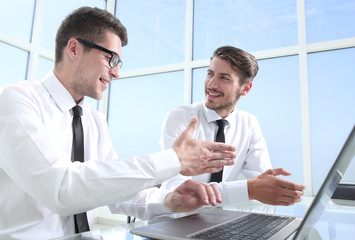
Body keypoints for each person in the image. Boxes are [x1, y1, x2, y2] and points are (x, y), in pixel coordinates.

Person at [0, 7, 237, 239]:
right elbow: (61, 188)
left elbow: (115, 192)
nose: (116, 73)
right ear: (74, 49)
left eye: (118, 64)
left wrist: (169, 199)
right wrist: (173, 159)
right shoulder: (15, 101)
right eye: (110, 58)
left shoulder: (94, 119)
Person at [159, 46, 306, 210]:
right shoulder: (181, 117)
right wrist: (249, 190)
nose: (211, 84)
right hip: (178, 217)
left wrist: (274, 188)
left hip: (220, 217)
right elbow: (179, 190)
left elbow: (261, 182)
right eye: (210, 74)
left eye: (224, 78)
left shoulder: (249, 124)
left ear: (245, 88)